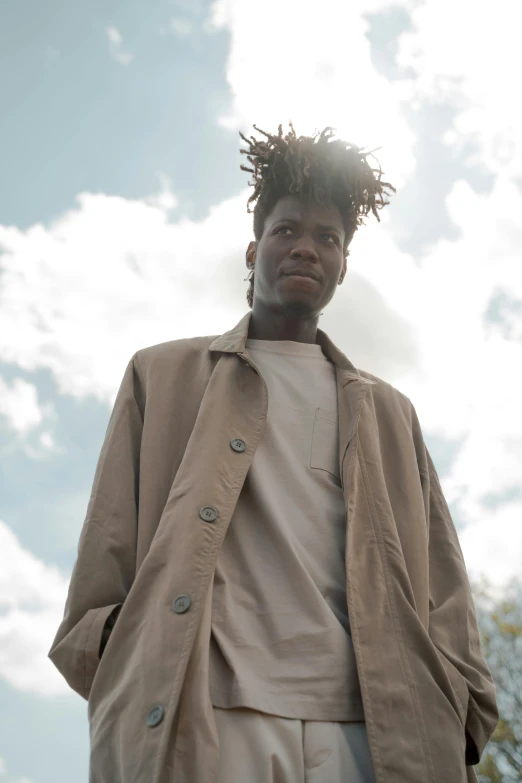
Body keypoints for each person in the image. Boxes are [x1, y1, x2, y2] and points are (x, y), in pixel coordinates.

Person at [49, 122, 499, 783]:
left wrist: (458, 696)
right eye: (287, 231)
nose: (306, 249)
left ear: (343, 264)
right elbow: (106, 549)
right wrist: (119, 642)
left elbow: (444, 584)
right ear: (254, 248)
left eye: (328, 238)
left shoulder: (389, 412)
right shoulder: (161, 375)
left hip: (372, 728)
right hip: (208, 713)